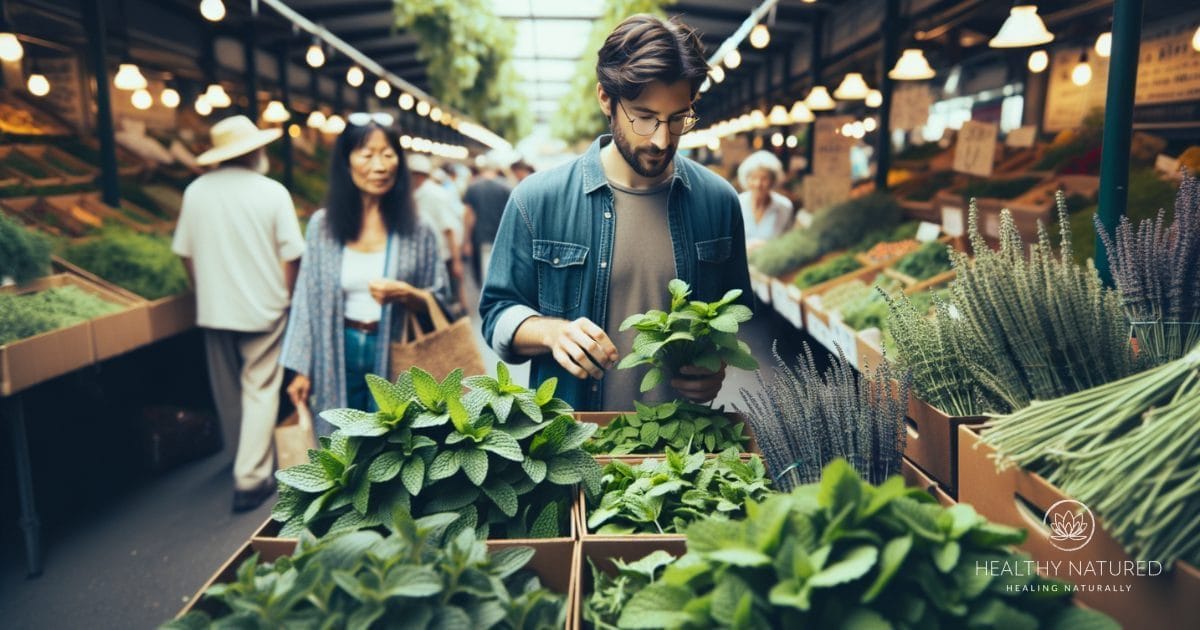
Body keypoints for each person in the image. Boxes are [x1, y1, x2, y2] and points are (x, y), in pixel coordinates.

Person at [479, 14, 752, 412]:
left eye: (678, 118)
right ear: (606, 99)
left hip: (684, 452)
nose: (662, 139)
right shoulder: (537, 199)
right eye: (644, 117)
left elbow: (733, 315)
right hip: (574, 444)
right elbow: (496, 314)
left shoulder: (719, 201)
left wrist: (717, 363)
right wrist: (551, 332)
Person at [280, 114, 451, 436]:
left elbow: (442, 296)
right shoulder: (323, 226)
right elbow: (307, 297)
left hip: (395, 351)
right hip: (337, 348)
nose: (380, 165)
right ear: (346, 161)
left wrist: (409, 294)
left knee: (392, 446)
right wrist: (302, 368)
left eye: (388, 154)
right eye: (367, 154)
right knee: (342, 442)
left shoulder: (419, 229)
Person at [172, 115, 305, 512]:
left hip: (215, 308)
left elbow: (185, 253)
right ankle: (250, 478)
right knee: (260, 389)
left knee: (228, 390)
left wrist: (204, 291)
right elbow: (292, 255)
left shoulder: (195, 192)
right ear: (255, 152)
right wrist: (288, 297)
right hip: (265, 307)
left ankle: (242, 457)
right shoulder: (272, 192)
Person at [409, 153, 466, 318]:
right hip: (426, 258)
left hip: (443, 257)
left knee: (446, 302)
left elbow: (449, 229)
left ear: (418, 175)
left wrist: (456, 261)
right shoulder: (414, 195)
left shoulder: (435, 195)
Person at [462, 155, 512, 286]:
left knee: (482, 277)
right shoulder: (506, 186)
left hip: (479, 239)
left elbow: (469, 216)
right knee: (501, 276)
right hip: (501, 238)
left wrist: (466, 241)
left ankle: (484, 302)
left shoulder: (473, 187)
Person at [736, 150, 798, 253]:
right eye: (753, 178)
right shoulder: (737, 203)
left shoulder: (784, 206)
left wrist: (768, 247)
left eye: (764, 178)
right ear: (746, 179)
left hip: (770, 264)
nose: (758, 184)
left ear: (773, 181)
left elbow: (787, 240)